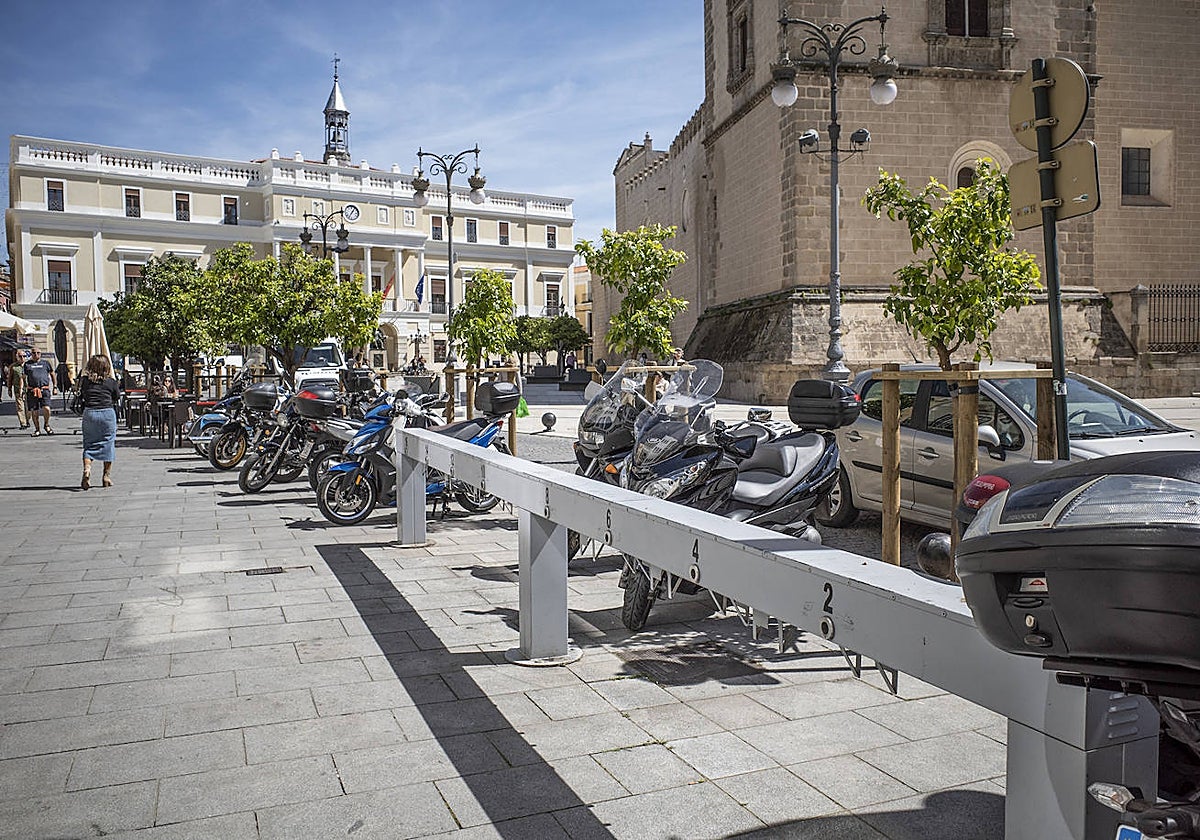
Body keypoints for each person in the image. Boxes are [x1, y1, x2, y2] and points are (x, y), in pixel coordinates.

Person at [78, 354, 120, 489]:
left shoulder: (85, 381)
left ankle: (87, 469)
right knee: (108, 443)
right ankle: (106, 476)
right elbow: (116, 396)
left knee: (89, 444)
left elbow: (83, 395)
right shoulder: (111, 382)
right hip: (107, 413)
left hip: (90, 413)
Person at [23, 347, 55, 436]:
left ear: (40, 354)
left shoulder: (46, 363)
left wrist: (55, 386)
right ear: (31, 354)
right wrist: (23, 389)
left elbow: (52, 374)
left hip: (44, 389)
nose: (36, 354)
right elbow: (23, 377)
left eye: (38, 353)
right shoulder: (27, 364)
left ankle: (46, 425)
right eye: (34, 353)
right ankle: (37, 429)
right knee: (34, 411)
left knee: (47, 408)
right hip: (32, 390)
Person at [9, 351, 29, 430]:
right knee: (20, 407)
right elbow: (10, 379)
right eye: (20, 356)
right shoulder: (13, 367)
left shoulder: (28, 365)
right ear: (17, 357)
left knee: (29, 408)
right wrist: (9, 389)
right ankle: (23, 423)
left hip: (28, 389)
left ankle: (28, 420)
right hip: (18, 389)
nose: (22, 358)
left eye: (24, 356)